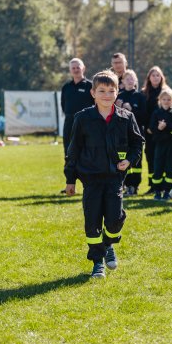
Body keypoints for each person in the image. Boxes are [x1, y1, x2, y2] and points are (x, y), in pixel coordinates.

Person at [64, 70, 144, 278]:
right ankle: (97, 262)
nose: (107, 95)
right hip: (90, 179)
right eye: (102, 91)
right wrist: (70, 179)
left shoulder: (126, 118)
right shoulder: (82, 118)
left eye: (111, 90)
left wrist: (130, 161)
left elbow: (138, 142)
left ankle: (109, 244)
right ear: (93, 93)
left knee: (115, 219)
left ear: (117, 92)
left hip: (115, 179)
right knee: (92, 222)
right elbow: (73, 150)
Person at [60, 58, 94, 191]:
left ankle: (89, 184)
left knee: (88, 153)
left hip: (87, 124)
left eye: (78, 67)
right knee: (69, 153)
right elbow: (64, 105)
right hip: (69, 124)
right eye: (73, 67)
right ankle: (70, 184)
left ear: (83, 68)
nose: (75, 69)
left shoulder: (90, 86)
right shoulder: (66, 87)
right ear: (70, 70)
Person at [116, 69, 146, 195]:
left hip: (136, 133)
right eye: (126, 78)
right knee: (123, 159)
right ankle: (125, 185)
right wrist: (117, 107)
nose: (129, 80)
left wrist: (131, 109)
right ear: (122, 81)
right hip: (122, 135)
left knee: (136, 160)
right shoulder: (119, 96)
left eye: (131, 78)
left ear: (135, 81)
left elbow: (144, 116)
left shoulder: (140, 96)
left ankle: (135, 185)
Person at [142, 66, 169, 193]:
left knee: (163, 157)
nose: (155, 77)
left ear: (161, 77)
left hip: (164, 130)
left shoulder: (166, 92)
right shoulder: (144, 93)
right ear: (149, 78)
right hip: (149, 131)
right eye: (153, 75)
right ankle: (153, 185)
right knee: (150, 157)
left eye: (158, 75)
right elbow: (143, 113)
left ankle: (163, 185)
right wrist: (148, 128)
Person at [149, 88, 172, 201]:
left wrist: (167, 127)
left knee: (170, 169)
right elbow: (151, 129)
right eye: (164, 99)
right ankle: (157, 191)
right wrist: (158, 128)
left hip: (171, 145)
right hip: (159, 145)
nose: (166, 101)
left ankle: (167, 192)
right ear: (160, 100)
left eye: (169, 99)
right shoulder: (156, 113)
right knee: (158, 168)